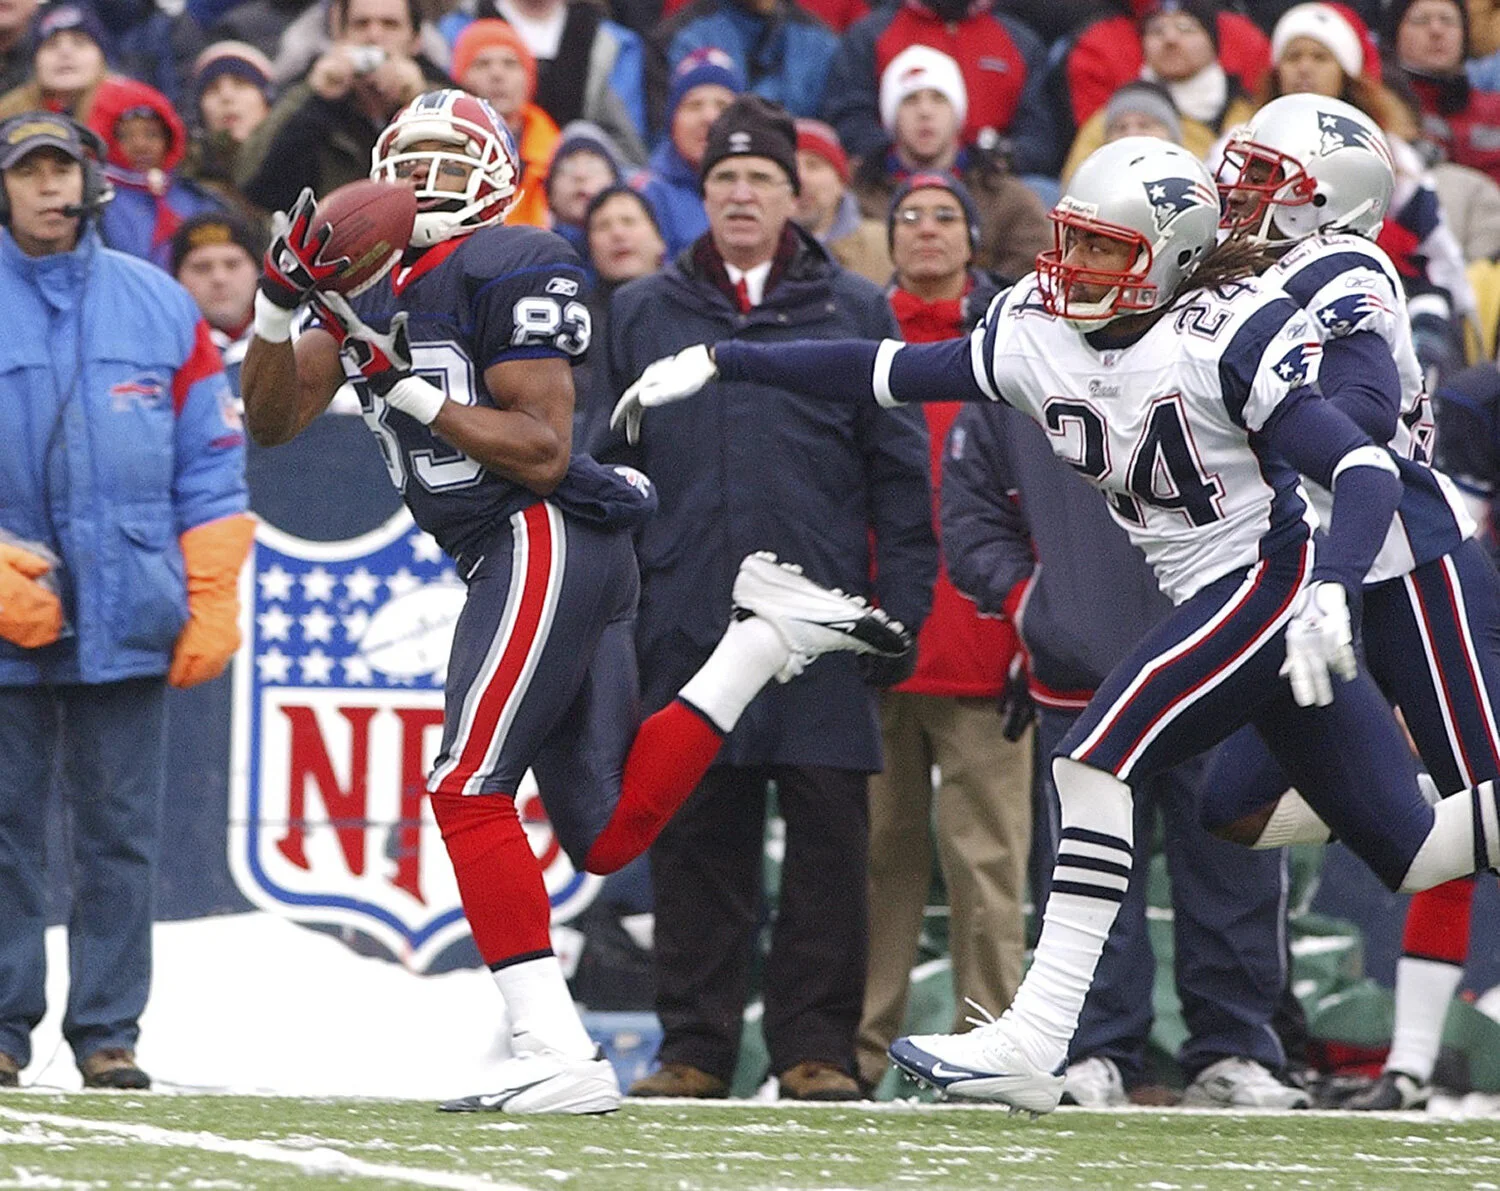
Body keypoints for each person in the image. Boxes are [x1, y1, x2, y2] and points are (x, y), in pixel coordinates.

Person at [612, 135, 1500, 1115]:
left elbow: (1364, 467)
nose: (1073, 263)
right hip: (1207, 588)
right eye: (1072, 238)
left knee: (1092, 758)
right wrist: (727, 360)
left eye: (1104, 246)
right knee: (1405, 844)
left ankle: (1037, 1038)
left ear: (1169, 255)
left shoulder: (1226, 333)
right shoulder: (1037, 330)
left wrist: (1333, 582)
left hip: (1267, 580)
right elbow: (889, 369)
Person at [239, 87, 912, 1114]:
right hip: (516, 550)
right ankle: (761, 643)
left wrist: (408, 388)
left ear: (494, 178)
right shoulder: (370, 285)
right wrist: (275, 308)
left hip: (540, 532)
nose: (420, 183)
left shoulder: (515, 257)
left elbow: (546, 448)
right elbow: (272, 419)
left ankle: (554, 1049)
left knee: (467, 786)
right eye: (405, 164)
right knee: (603, 833)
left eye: (443, 163)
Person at [594, 94, 936, 1103]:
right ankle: (694, 1048)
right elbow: (606, 471)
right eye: (723, 179)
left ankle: (815, 1050)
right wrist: (627, 612)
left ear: (799, 195)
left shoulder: (856, 309)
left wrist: (900, 611)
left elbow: (899, 477)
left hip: (821, 625)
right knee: (697, 836)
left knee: (831, 843)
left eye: (761, 179)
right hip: (686, 619)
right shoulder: (642, 310)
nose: (741, 195)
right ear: (699, 196)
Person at [1205, 93, 1500, 1113]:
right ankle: (1397, 798)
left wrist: (1278, 421)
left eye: (1263, 180)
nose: (1239, 196)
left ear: (1325, 198)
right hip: (1313, 575)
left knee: (1483, 798)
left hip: (1408, 566)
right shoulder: (1245, 278)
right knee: (1231, 806)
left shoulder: (1344, 267)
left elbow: (1365, 412)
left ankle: (1413, 1054)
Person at [941, 399, 1307, 1109]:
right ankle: (1094, 1048)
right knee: (1085, 870)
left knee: (1236, 867)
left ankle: (1234, 1047)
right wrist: (1036, 606)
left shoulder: (1224, 352)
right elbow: (970, 511)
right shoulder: (1016, 360)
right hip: (1084, 677)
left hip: (1217, 660)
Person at [0, 111, 250, 1091]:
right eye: (30, 172)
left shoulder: (161, 303)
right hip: (8, 617)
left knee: (119, 835)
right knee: (4, 832)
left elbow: (212, 464)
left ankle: (109, 1032)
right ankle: (3, 1030)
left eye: (63, 170)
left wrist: (213, 592)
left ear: (93, 183)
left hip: (132, 607)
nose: (49, 188)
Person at [853, 171, 1031, 1096]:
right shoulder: (857, 334)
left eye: (944, 216)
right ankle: (859, 1052)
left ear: (972, 236)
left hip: (986, 645)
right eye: (909, 216)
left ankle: (989, 1043)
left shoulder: (1015, 343)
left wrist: (1033, 625)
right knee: (875, 861)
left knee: (988, 863)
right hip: (878, 644)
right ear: (888, 237)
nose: (926, 230)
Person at [849, 46, 1049, 282]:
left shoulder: (1007, 198)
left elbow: (1032, 275)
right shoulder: (856, 200)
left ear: (957, 112)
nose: (925, 112)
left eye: (939, 98)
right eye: (910, 100)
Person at [234, 0, 449, 213]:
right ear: (340, 35)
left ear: (416, 40)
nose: (374, 35)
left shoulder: (446, 95)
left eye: (390, 25)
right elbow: (254, 186)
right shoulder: (306, 93)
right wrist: (316, 98)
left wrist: (420, 99)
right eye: (361, 24)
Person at [821, 0, 1059, 179]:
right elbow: (850, 115)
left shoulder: (1021, 42)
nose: (925, 110)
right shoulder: (870, 34)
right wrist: (893, 156)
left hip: (990, 183)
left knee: (1041, 191)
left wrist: (1002, 157)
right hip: (892, 179)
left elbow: (1038, 136)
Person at [85, 75, 222, 270]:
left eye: (152, 134)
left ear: (170, 139)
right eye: (125, 136)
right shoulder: (97, 203)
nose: (140, 145)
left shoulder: (197, 199)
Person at [448, 19, 558, 228]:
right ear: (460, 78)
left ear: (529, 77)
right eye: (482, 64)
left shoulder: (559, 154)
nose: (497, 74)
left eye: (510, 63)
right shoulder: (444, 149)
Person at [632, 46, 740, 257]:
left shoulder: (764, 188)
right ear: (672, 122)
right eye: (694, 105)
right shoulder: (645, 195)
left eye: (722, 106)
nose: (709, 117)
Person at [171, 210, 261, 391]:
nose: (219, 278)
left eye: (232, 264)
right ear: (176, 279)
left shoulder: (300, 337)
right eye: (201, 268)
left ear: (258, 271)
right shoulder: (165, 354)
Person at [793, 117, 888, 286]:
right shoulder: (754, 248)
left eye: (814, 165)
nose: (801, 178)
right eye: (791, 167)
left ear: (841, 182)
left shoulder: (883, 244)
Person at [0, 1, 109, 122]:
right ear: (35, 61)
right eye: (51, 45)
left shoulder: (124, 113)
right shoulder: (6, 115)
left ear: (101, 57)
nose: (65, 52)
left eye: (79, 43)